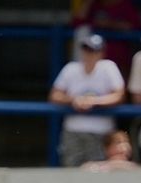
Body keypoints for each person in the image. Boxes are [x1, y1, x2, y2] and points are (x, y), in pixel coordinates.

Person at [49, 34, 125, 167]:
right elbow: (54, 95)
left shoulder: (108, 67)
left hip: (102, 132)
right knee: (71, 172)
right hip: (73, 132)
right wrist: (74, 100)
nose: (89, 54)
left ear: (101, 53)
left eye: (94, 50)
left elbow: (119, 96)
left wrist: (93, 101)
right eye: (87, 49)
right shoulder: (70, 68)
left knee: (100, 175)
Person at [72, 0, 141, 78]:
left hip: (119, 54)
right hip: (94, 52)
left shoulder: (125, 4)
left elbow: (135, 27)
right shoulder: (95, 4)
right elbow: (77, 23)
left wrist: (111, 23)